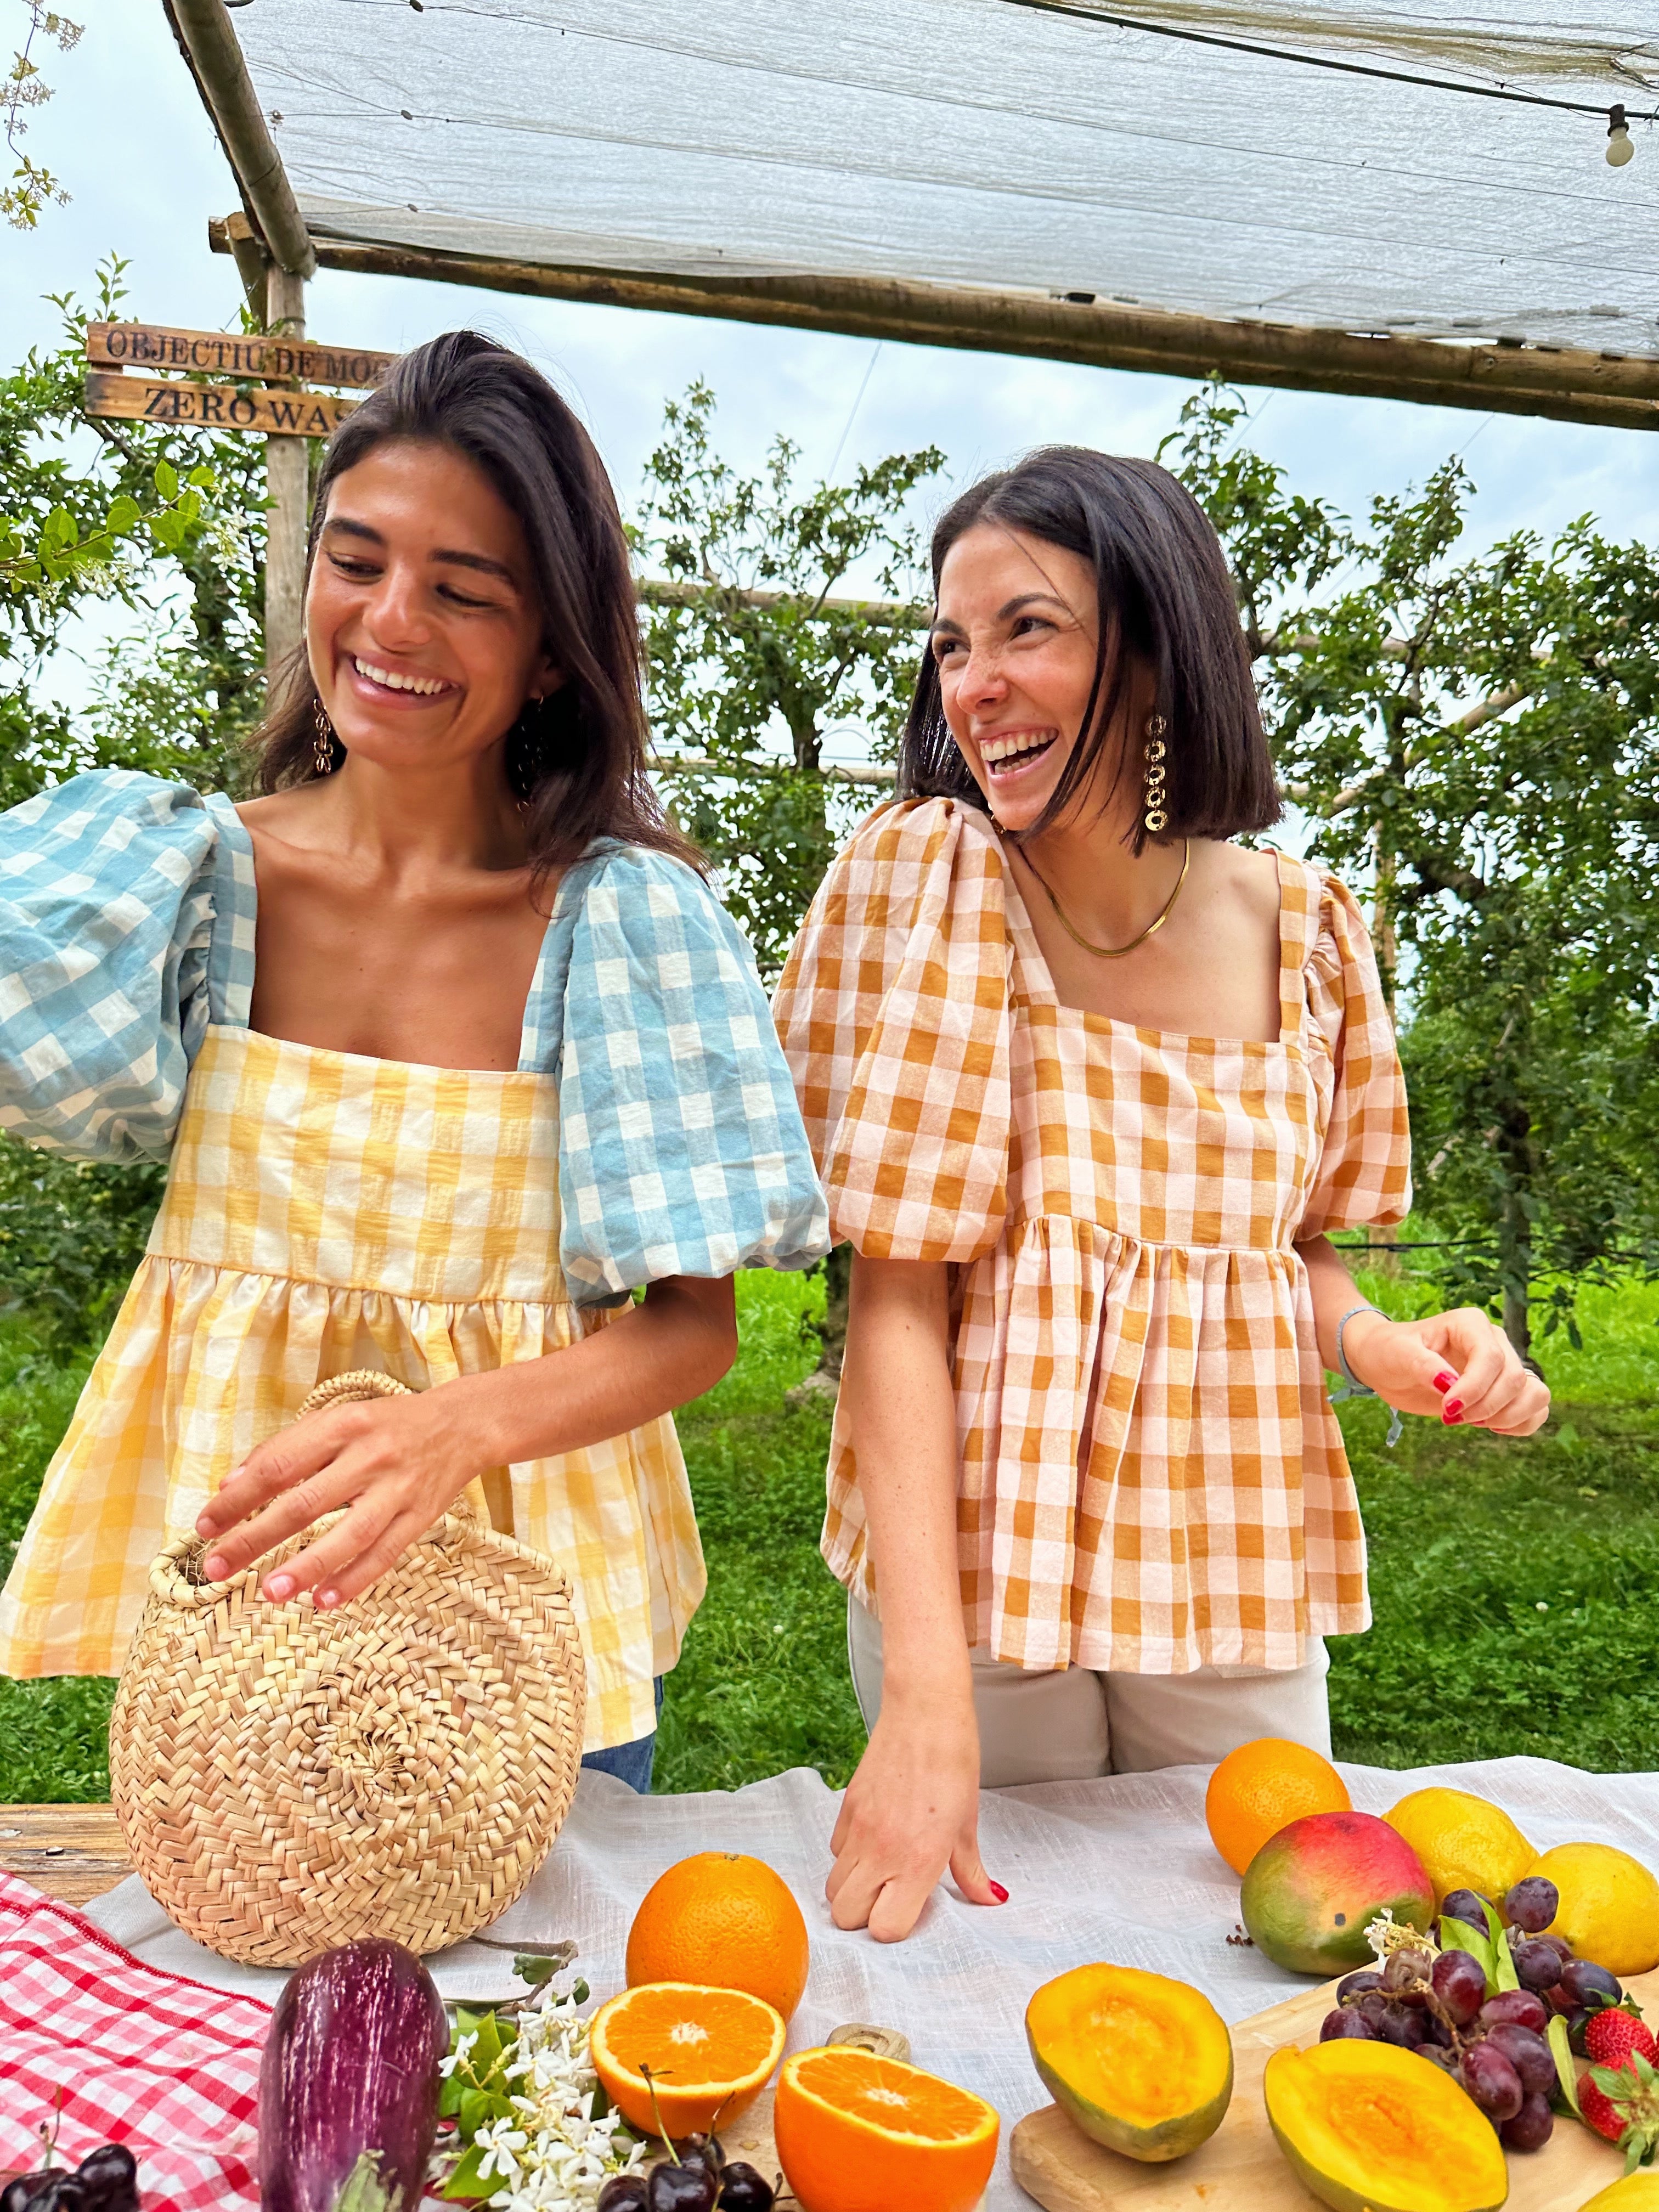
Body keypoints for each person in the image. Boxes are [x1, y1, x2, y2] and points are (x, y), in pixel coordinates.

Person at [0, 331, 828, 1791]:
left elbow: (695, 1325)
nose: (391, 621)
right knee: (257, 1972)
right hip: (250, 1600)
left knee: (535, 2003)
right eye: (358, 559)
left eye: (464, 591)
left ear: (556, 645)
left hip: (523, 1605)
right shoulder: (190, 884)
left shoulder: (615, 921)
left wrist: (454, 1427)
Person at [774, 447, 1550, 1938]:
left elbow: (1294, 1252)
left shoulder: (1308, 932)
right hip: (979, 1577)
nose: (975, 681)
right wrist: (929, 1693)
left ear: (1154, 641)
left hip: (1232, 1550)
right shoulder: (925, 885)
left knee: (1276, 1942)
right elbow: (896, 1294)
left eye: (1028, 628)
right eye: (952, 641)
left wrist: (1382, 1343)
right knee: (1000, 1954)